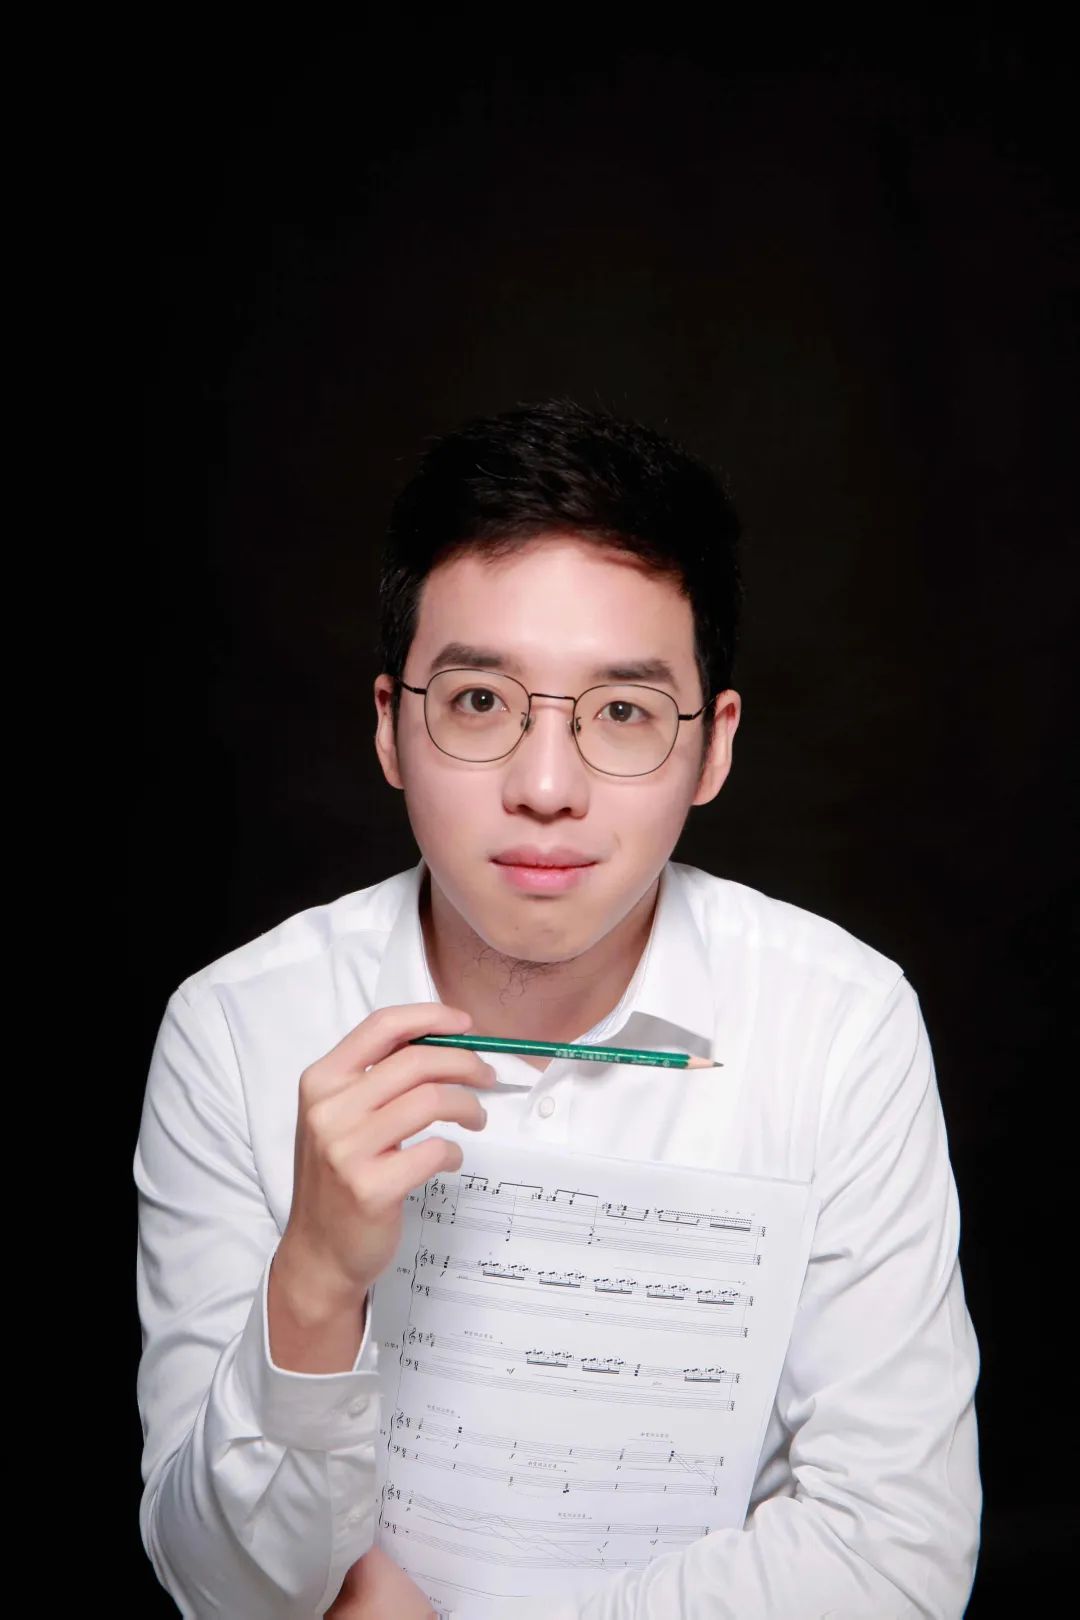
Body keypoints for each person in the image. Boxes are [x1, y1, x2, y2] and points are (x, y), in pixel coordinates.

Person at [134, 398, 981, 1618]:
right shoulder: (234, 1031)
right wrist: (312, 1282)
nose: (545, 787)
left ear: (714, 748)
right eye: (480, 701)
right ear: (391, 727)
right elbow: (214, 1585)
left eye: (623, 712)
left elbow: (896, 1563)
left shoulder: (842, 1024)